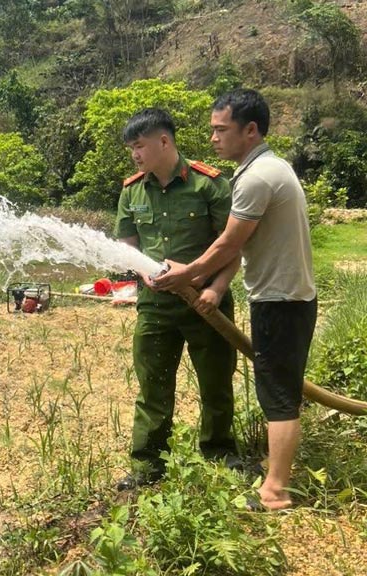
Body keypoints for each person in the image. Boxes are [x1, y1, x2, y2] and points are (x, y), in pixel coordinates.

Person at [154, 89, 317, 511]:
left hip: (281, 300)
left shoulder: (257, 177)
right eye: (211, 130)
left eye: (220, 130)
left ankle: (275, 491)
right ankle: (276, 470)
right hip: (287, 296)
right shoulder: (267, 168)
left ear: (250, 130)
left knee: (278, 394)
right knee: (280, 386)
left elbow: (229, 244)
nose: (212, 138)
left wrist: (187, 275)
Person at [114, 108, 241, 491]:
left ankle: (219, 453)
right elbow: (127, 245)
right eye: (131, 149)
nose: (135, 155)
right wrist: (143, 275)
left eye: (139, 146)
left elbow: (231, 246)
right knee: (153, 386)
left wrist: (215, 289)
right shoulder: (132, 189)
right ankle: (147, 466)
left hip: (207, 303)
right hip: (155, 307)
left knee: (216, 382)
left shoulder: (209, 185)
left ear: (164, 141)